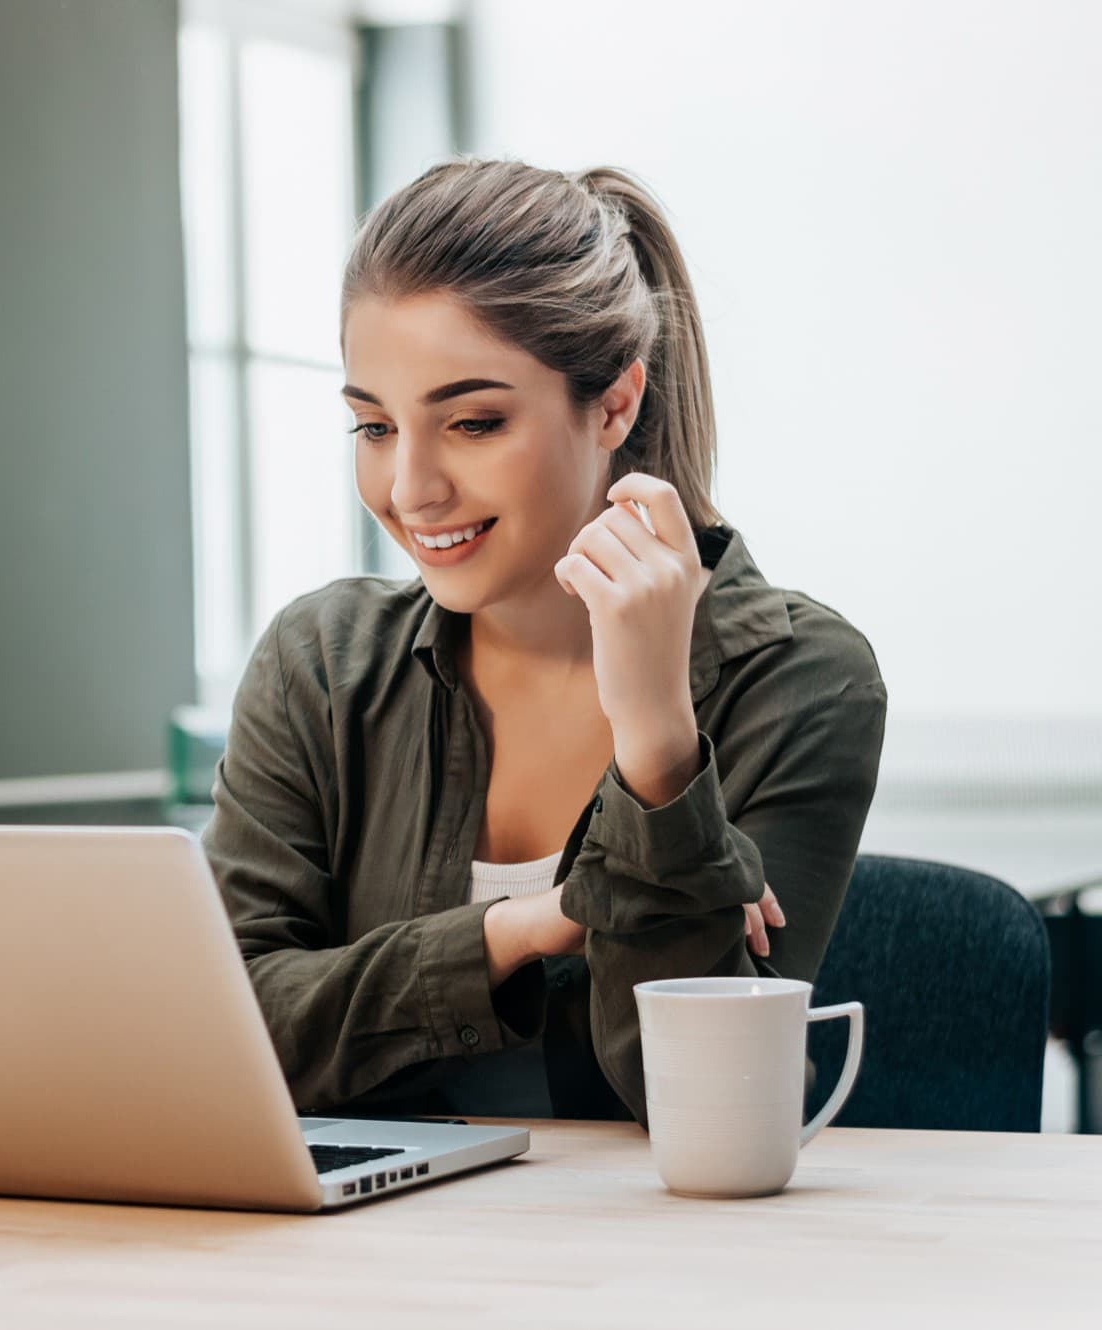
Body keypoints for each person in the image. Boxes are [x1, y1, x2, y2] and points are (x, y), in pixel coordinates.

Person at [202, 159, 887, 1124]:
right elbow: (225, 1031)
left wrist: (658, 744)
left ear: (614, 404)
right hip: (350, 1252)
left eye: (473, 423)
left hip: (652, 1263)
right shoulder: (319, 664)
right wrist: (527, 927)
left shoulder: (801, 679)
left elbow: (708, 1103)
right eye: (374, 427)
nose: (409, 490)